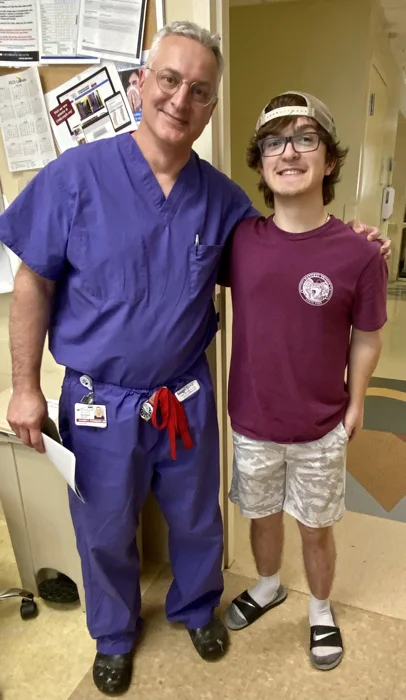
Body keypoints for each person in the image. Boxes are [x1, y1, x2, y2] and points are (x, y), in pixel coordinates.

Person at [0, 22, 389, 696]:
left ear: (210, 109)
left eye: (200, 91)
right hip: (98, 402)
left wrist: (351, 238)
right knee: (103, 524)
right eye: (170, 81)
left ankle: (194, 606)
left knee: (197, 517)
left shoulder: (224, 202)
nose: (181, 99)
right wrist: (24, 386)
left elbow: (287, 251)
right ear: (139, 85)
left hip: (184, 397)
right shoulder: (74, 178)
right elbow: (33, 279)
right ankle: (115, 635)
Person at [222, 92, 388, 672]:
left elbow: (368, 335)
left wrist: (359, 399)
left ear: (330, 159)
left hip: (321, 426)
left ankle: (320, 609)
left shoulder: (359, 254)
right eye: (273, 142)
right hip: (252, 421)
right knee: (261, 516)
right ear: (261, 161)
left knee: (316, 528)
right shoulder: (241, 240)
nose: (288, 153)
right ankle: (268, 585)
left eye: (304, 139)